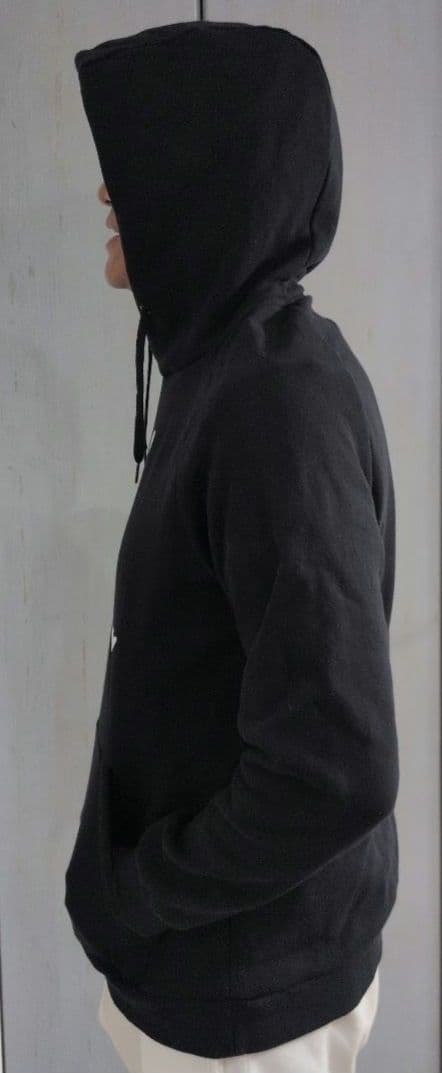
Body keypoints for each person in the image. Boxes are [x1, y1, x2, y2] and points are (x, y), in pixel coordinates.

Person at [65, 20, 399, 1073]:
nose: (108, 192)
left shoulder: (274, 402)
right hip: (228, 966)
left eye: (134, 161)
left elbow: (334, 767)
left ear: (208, 177)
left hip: (246, 1004)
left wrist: (137, 894)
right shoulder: (233, 366)